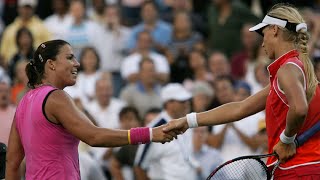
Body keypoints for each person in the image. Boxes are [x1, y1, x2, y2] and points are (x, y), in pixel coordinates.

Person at [163, 4, 320, 179]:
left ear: (275, 30)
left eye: (263, 33)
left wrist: (286, 140)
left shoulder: (288, 69)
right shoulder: (301, 72)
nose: (262, 43)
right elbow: (240, 108)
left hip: (297, 171)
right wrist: (188, 121)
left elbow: (299, 108)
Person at [5, 39, 177, 179]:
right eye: (70, 57)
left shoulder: (23, 102)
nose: (77, 63)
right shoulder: (56, 97)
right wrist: (150, 134)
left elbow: (12, 164)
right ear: (51, 64)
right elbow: (94, 136)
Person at [134, 83, 198, 180]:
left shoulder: (187, 123)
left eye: (187, 100)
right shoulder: (153, 130)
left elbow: (182, 156)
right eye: (182, 100)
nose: (187, 103)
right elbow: (139, 167)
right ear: (169, 104)